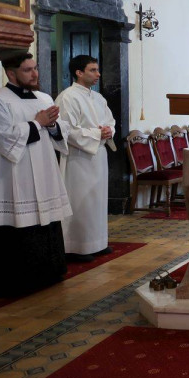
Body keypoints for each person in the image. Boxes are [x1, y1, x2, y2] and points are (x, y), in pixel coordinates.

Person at [0, 54, 70, 296]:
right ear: (11, 74)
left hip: (44, 170)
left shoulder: (44, 97)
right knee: (20, 223)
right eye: (27, 70)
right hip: (13, 175)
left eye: (35, 69)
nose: (34, 74)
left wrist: (53, 125)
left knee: (46, 222)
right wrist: (37, 123)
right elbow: (2, 138)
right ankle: (21, 280)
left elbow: (60, 130)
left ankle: (51, 272)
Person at [55, 55, 116, 262]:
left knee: (97, 202)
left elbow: (110, 120)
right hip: (78, 158)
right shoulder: (67, 97)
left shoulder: (98, 98)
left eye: (97, 69)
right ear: (79, 73)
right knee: (80, 201)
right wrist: (97, 134)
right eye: (92, 70)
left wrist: (109, 130)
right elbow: (67, 130)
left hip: (98, 155)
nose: (98, 74)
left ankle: (97, 243)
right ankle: (75, 246)